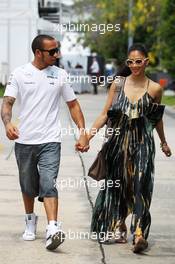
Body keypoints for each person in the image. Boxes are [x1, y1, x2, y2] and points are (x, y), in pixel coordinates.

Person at [1, 34, 89, 251]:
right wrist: (7, 123)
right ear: (38, 53)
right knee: (28, 185)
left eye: (57, 50)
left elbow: (73, 105)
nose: (57, 55)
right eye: (52, 52)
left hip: (51, 140)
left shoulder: (60, 75)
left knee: (49, 182)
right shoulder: (20, 74)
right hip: (25, 140)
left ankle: (52, 228)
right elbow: (7, 102)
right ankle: (30, 220)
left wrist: (83, 133)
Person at [86, 43, 172, 253]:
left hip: (143, 143)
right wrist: (88, 136)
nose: (134, 65)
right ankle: (119, 222)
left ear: (146, 62)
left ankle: (140, 232)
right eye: (130, 62)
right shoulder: (117, 84)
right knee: (119, 185)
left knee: (141, 183)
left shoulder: (155, 88)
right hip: (118, 143)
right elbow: (105, 113)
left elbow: (156, 119)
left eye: (138, 61)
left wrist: (163, 142)